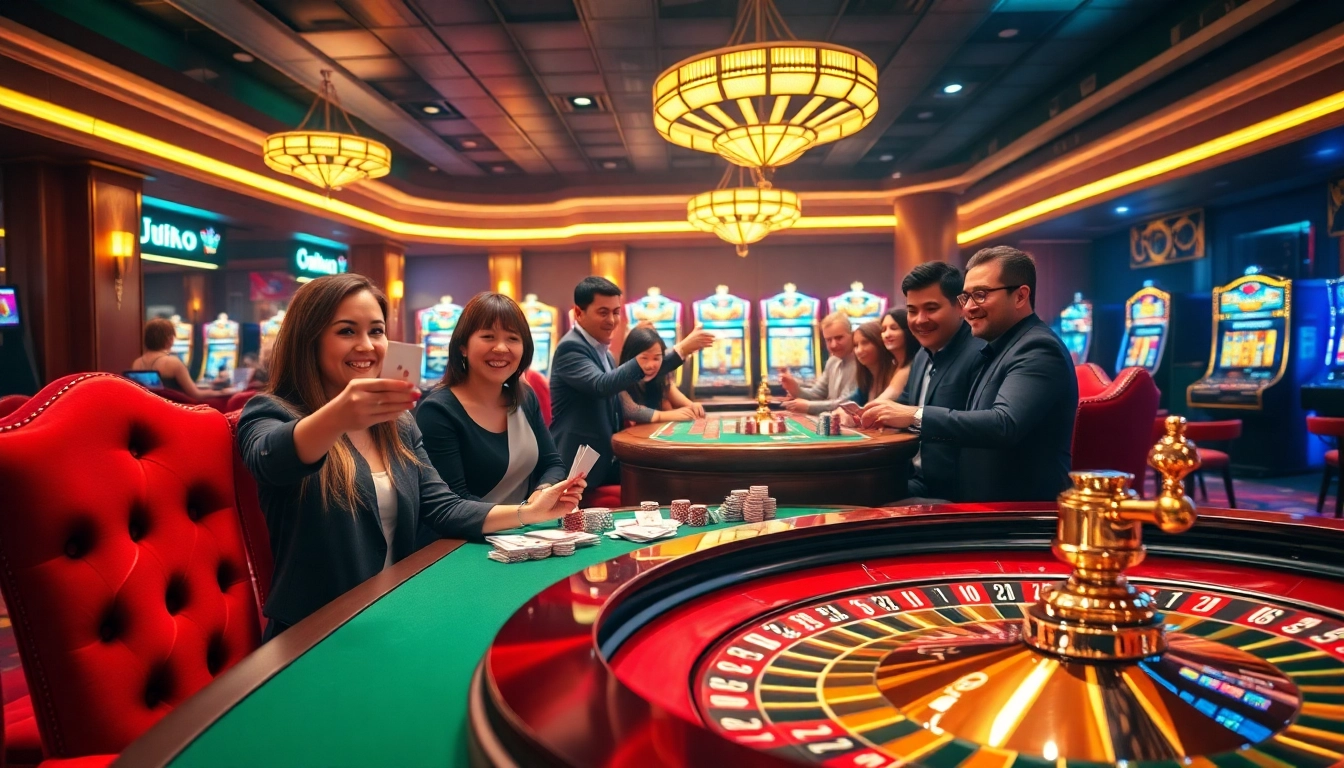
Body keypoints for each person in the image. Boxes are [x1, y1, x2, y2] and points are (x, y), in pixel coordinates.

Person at [237, 274, 585, 638]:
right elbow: (270, 459)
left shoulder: (396, 422)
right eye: (346, 331)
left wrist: (531, 511)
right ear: (308, 339)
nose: (366, 345)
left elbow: (443, 508)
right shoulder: (270, 411)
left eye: (376, 331)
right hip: (316, 634)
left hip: (395, 612)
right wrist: (337, 415)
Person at [863, 247, 1078, 502]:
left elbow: (1003, 424)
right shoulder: (998, 346)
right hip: (977, 502)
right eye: (966, 297)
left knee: (862, 512)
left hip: (1013, 512)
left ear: (1020, 296)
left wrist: (914, 415)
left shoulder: (1038, 347)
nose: (969, 308)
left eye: (980, 295)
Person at [550, 276, 714, 490]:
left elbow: (636, 379)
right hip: (578, 466)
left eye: (616, 312)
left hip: (605, 459)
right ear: (579, 313)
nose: (612, 320)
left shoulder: (604, 354)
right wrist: (675, 350)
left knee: (669, 475)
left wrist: (678, 352)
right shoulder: (571, 348)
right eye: (603, 312)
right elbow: (601, 385)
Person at [416, 292, 567, 510]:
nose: (501, 348)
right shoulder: (437, 411)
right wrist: (526, 513)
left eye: (513, 338)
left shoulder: (525, 397)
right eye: (488, 337)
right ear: (463, 347)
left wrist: (542, 492)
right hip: (469, 531)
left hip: (526, 526)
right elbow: (454, 503)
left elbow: (552, 464)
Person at [863, 262, 985, 502]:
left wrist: (912, 415)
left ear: (960, 306)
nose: (920, 320)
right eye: (912, 310)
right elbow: (904, 405)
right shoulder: (921, 355)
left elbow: (981, 427)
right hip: (915, 479)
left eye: (931, 308)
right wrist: (864, 416)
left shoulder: (980, 353)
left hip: (954, 496)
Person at [617, 326, 707, 423]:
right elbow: (633, 411)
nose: (651, 365)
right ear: (629, 357)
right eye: (644, 358)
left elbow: (670, 391)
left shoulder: (659, 376)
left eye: (656, 358)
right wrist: (667, 415)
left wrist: (692, 406)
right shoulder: (620, 380)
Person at [130, 317, 234, 400]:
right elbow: (196, 394)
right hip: (173, 412)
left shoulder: (137, 363)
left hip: (148, 412)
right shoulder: (173, 362)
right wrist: (222, 392)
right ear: (169, 339)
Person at [780, 312, 857, 414]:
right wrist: (795, 389)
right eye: (829, 340)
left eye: (839, 338)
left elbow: (847, 404)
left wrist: (809, 406)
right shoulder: (832, 361)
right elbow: (817, 394)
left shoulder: (861, 362)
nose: (833, 345)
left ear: (852, 335)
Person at [875, 309, 919, 401]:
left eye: (894, 328)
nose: (887, 334)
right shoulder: (890, 366)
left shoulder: (911, 367)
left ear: (908, 331)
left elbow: (880, 404)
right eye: (883, 330)